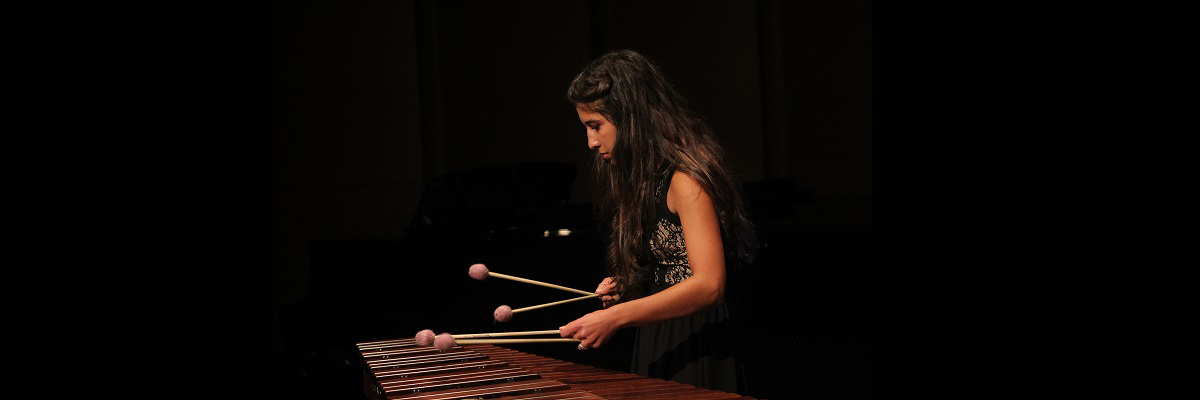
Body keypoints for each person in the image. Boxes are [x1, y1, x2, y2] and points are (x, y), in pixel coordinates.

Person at [557, 49, 759, 395]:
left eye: (596, 126)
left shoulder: (685, 179)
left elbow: (710, 284)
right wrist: (630, 286)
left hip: (698, 343)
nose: (591, 142)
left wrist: (616, 318)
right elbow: (669, 265)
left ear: (629, 116)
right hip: (658, 337)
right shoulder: (642, 179)